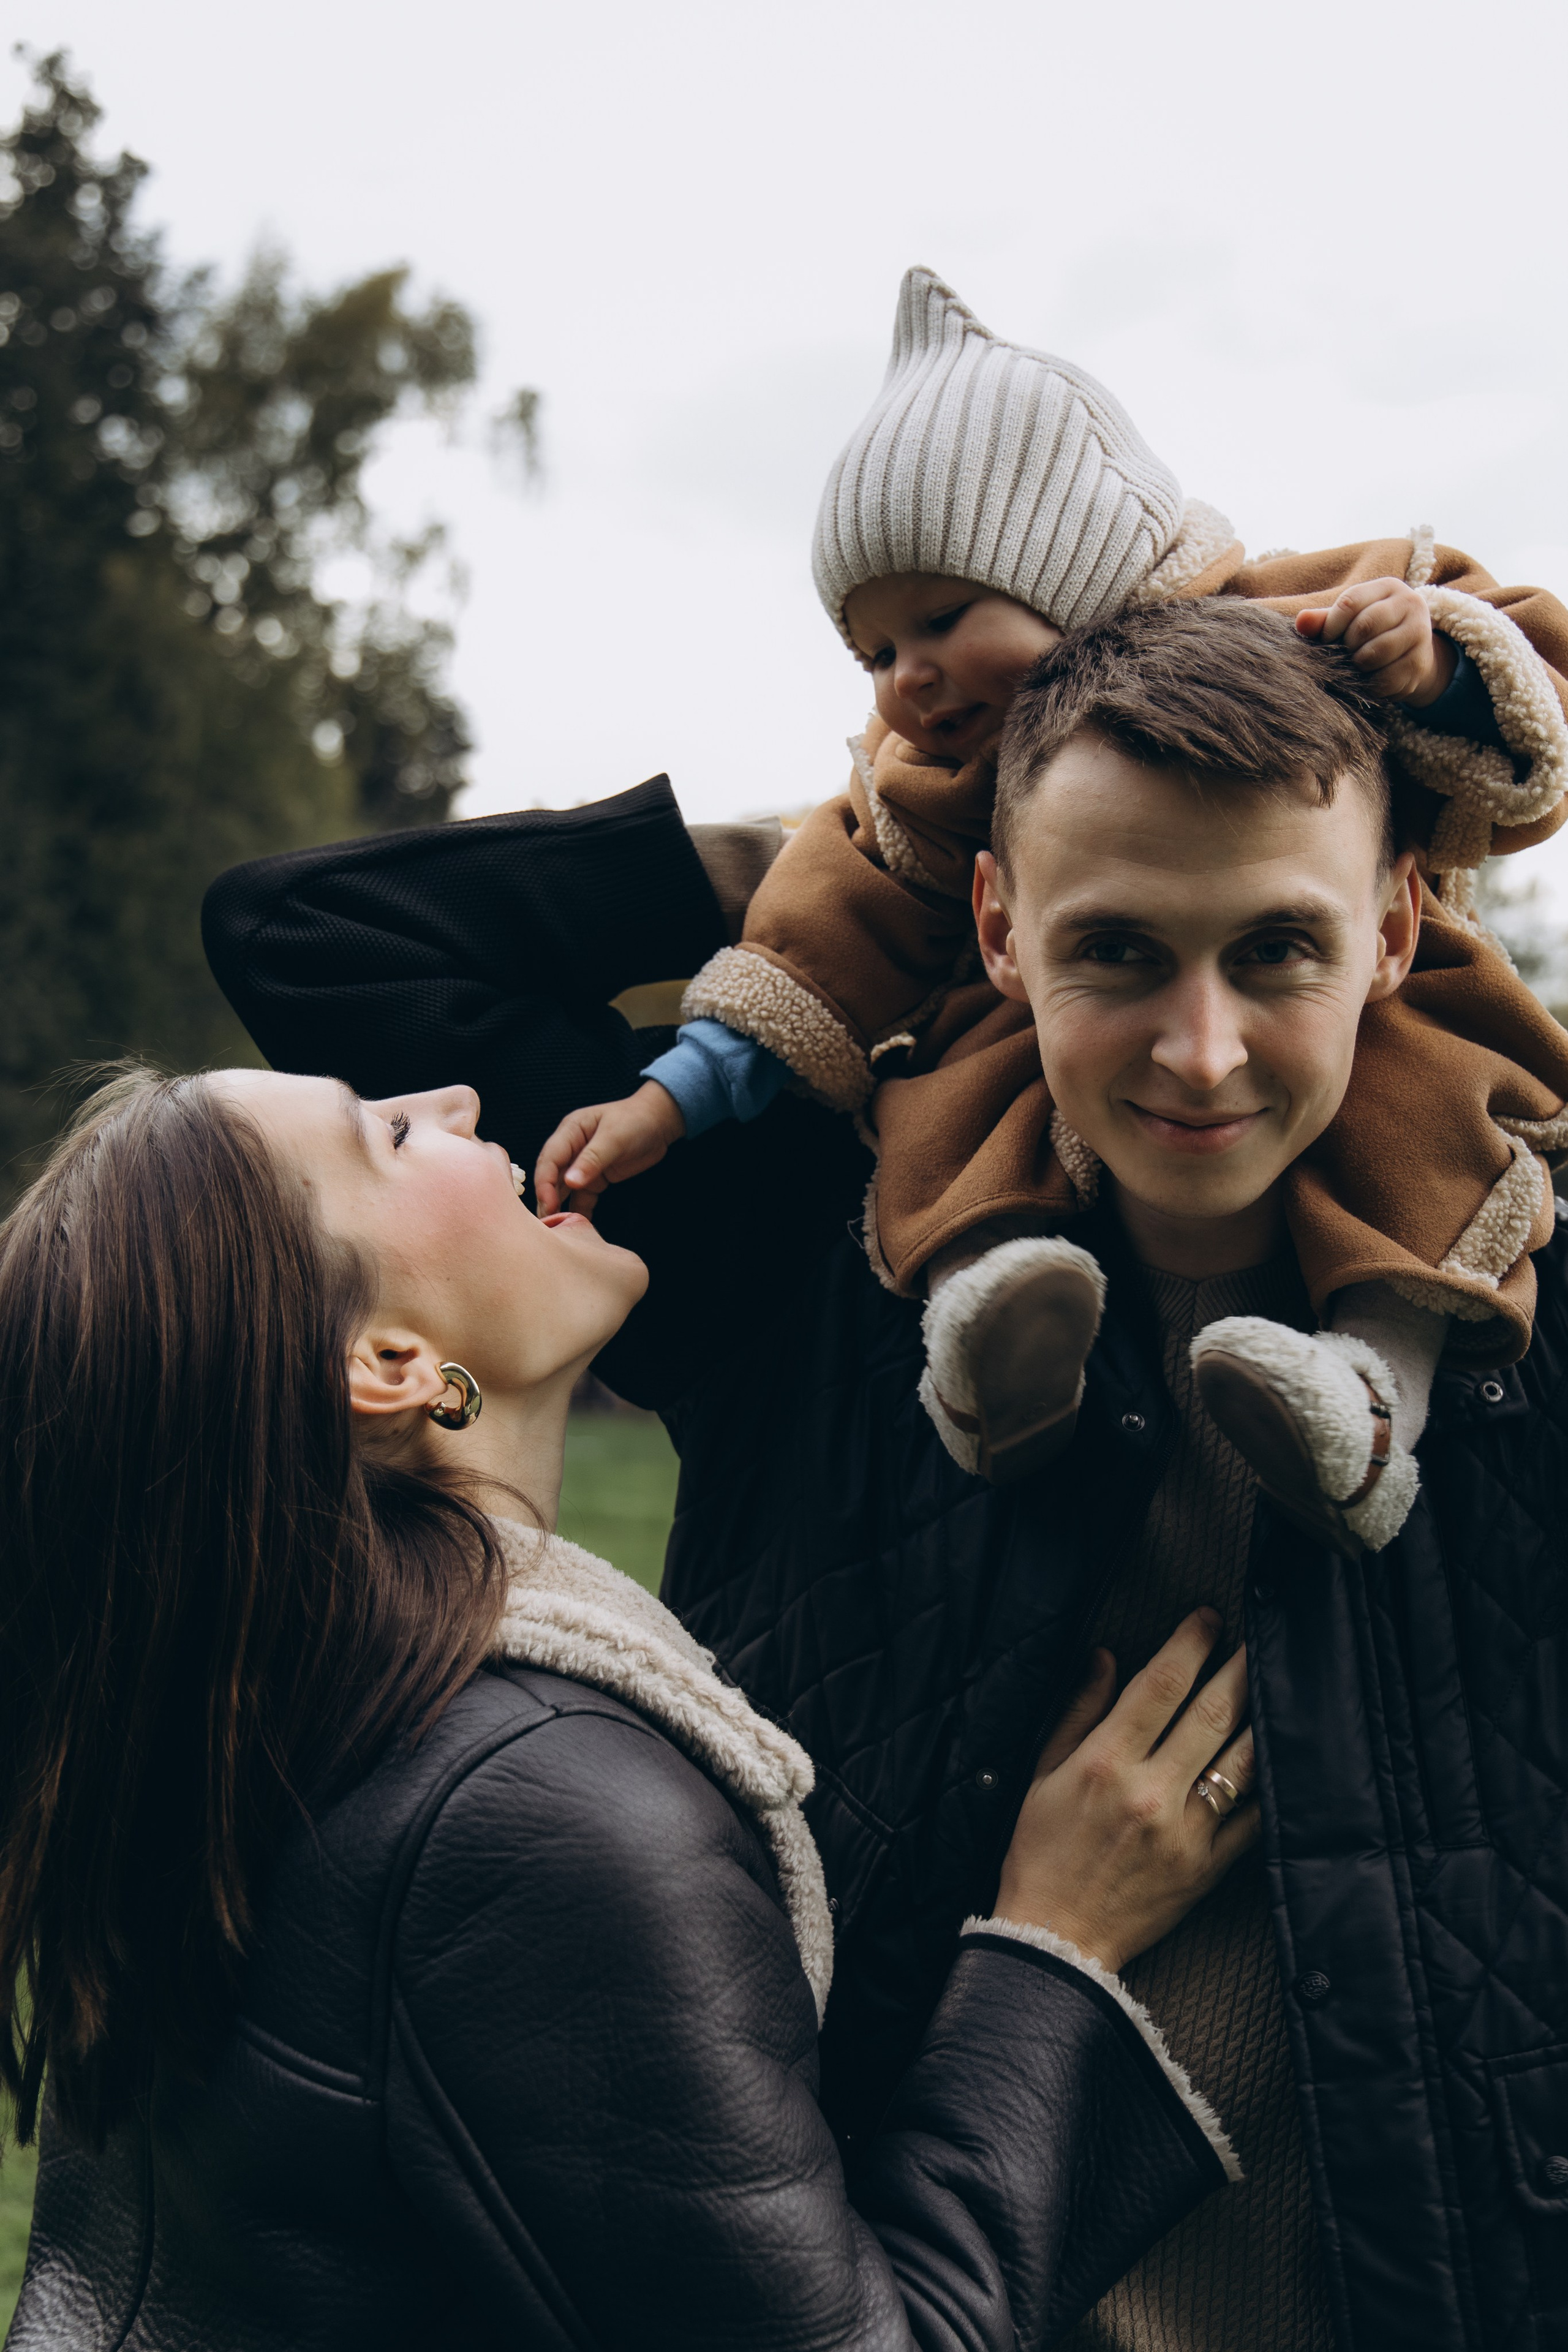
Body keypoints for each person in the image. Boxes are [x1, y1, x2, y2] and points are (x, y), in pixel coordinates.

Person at [203, 600, 1568, 2350]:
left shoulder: (1521, 1327)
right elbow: (311, 931)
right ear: (997, 927)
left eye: (1280, 951)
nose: (1202, 1053)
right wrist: (868, 861)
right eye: (1121, 948)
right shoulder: (822, 1255)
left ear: (1395, 935)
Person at [1, 1063, 1268, 2350]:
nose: (449, 1098)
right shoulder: (532, 1812)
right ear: (385, 1361)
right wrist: (1054, 1943)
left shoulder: (254, 1716)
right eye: (384, 1135)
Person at [538, 266, 1568, 1555]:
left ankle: (1370, 1385)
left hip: (1393, 1030)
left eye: (940, 617)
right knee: (941, 1097)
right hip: (1011, 1105)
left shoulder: (1294, 623)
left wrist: (1428, 658)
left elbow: (1528, 678)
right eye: (872, 653)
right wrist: (676, 1089)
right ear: (995, 919)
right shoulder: (924, 796)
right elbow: (818, 938)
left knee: (1416, 1114)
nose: (906, 678)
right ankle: (990, 1334)